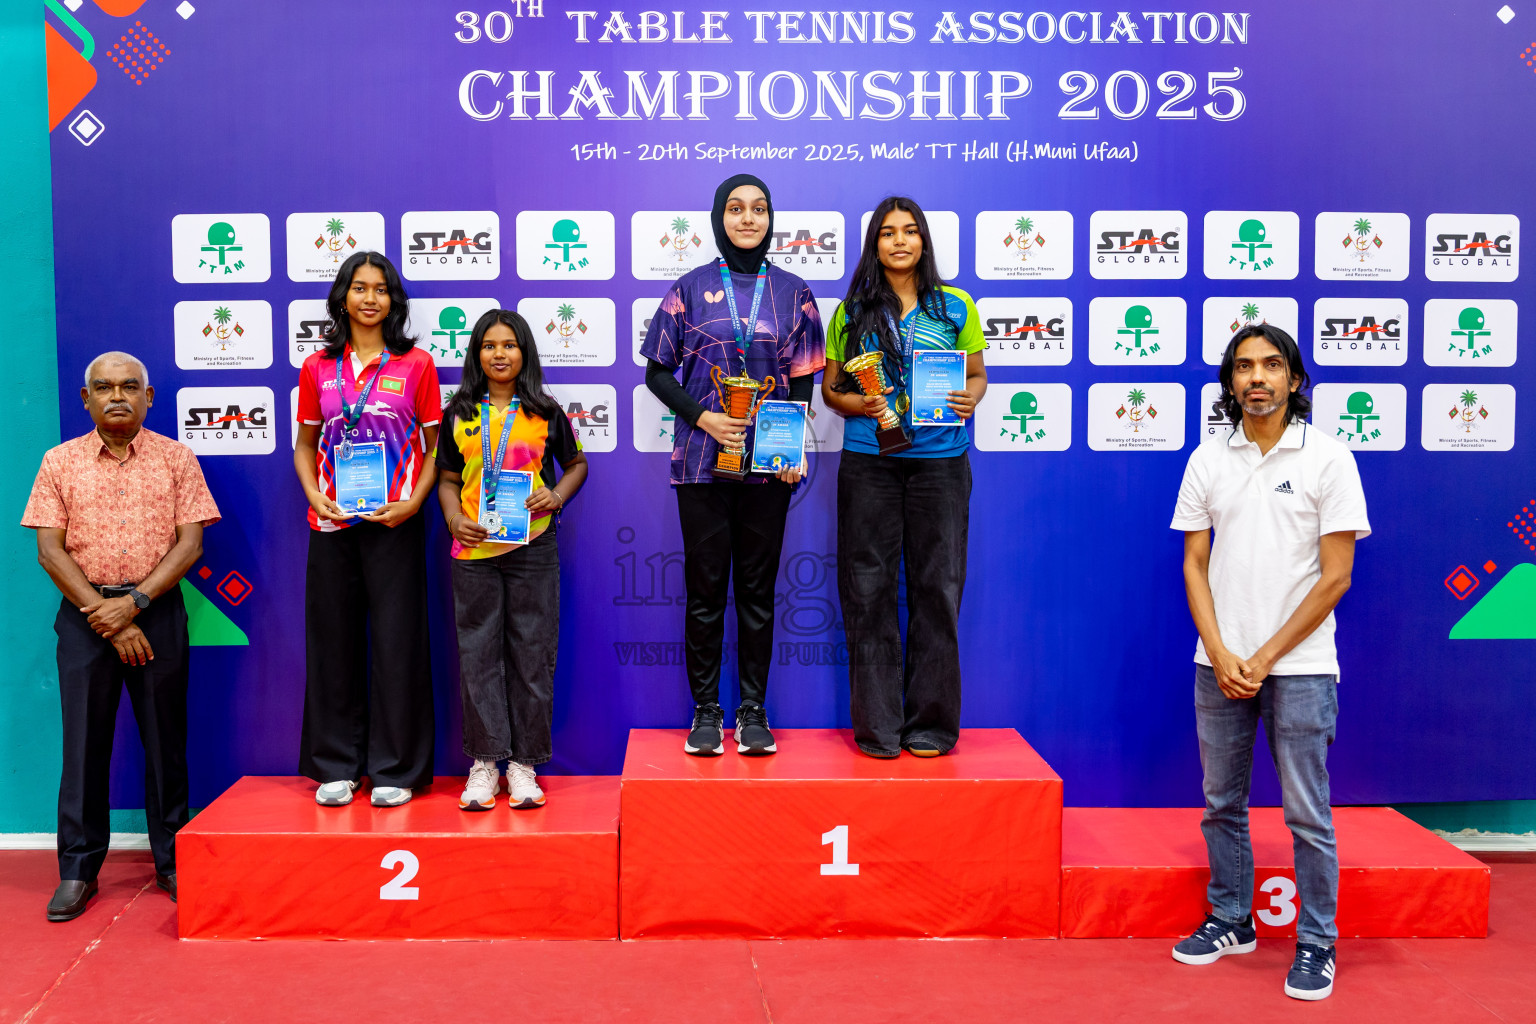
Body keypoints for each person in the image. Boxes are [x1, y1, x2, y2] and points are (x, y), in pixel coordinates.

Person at [1169, 324, 1370, 1001]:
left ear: (1293, 379)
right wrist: (1223, 653)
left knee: (1307, 812)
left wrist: (1262, 656)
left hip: (1303, 667)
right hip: (1216, 664)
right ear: (1230, 382)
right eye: (1245, 367)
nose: (1258, 377)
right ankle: (1232, 918)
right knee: (1220, 802)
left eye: (1272, 365)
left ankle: (1317, 940)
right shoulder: (1206, 459)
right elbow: (1194, 564)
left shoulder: (1329, 458)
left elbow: (1336, 576)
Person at [23, 352, 220, 921]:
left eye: (129, 387)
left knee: (166, 742)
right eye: (103, 388)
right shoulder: (59, 462)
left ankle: (173, 861)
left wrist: (132, 604)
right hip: (86, 618)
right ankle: (78, 870)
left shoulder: (177, 458)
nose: (117, 396)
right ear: (85, 399)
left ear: (148, 397)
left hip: (154, 611)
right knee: (84, 746)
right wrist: (103, 612)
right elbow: (49, 550)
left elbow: (190, 545)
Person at [641, 172, 826, 757]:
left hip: (768, 470)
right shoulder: (690, 289)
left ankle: (751, 711)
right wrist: (704, 417)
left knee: (756, 591)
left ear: (771, 220)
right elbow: (657, 373)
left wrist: (791, 451)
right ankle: (705, 711)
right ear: (720, 217)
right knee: (704, 591)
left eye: (760, 210)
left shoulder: (795, 292)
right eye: (737, 209)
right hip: (700, 465)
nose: (749, 219)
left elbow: (802, 385)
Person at [821, 196, 987, 759]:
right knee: (867, 593)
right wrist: (862, 407)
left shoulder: (956, 305)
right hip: (869, 463)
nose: (899, 241)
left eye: (910, 232)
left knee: (937, 590)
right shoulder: (851, 312)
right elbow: (831, 391)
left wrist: (972, 396)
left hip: (941, 463)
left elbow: (979, 374)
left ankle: (932, 727)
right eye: (888, 232)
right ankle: (878, 728)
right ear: (875, 243)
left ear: (924, 242)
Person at [294, 251, 440, 807]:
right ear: (343, 297)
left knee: (398, 645)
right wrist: (314, 496)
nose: (371, 298)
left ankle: (396, 768)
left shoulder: (417, 365)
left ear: (393, 301)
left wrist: (412, 503)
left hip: (394, 521)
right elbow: (305, 447)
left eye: (381, 289)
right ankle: (337, 766)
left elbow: (434, 450)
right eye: (360, 288)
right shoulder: (316, 368)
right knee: (333, 642)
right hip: (331, 523)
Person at [436, 310, 587, 810]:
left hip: (533, 549)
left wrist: (557, 496)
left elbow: (578, 464)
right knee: (478, 658)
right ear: (476, 353)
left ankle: (524, 764)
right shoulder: (458, 411)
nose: (499, 354)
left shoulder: (545, 410)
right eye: (488, 345)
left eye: (509, 344)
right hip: (474, 551)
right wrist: (455, 518)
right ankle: (485, 763)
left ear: (525, 351)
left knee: (531, 657)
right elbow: (448, 480)